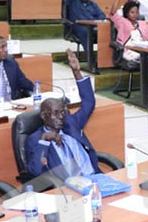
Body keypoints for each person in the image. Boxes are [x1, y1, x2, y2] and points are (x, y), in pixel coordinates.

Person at [25, 49, 100, 180]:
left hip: (95, 178)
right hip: (70, 187)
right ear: (44, 116)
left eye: (63, 112)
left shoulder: (71, 123)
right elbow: (35, 171)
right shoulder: (36, 139)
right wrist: (44, 140)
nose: (61, 117)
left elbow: (89, 102)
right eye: (55, 113)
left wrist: (76, 72)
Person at [110, 0, 148, 65]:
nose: (135, 15)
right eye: (132, 12)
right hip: (128, 50)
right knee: (145, 58)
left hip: (142, 49)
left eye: (137, 12)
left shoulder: (142, 23)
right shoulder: (122, 22)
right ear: (127, 13)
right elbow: (113, 12)